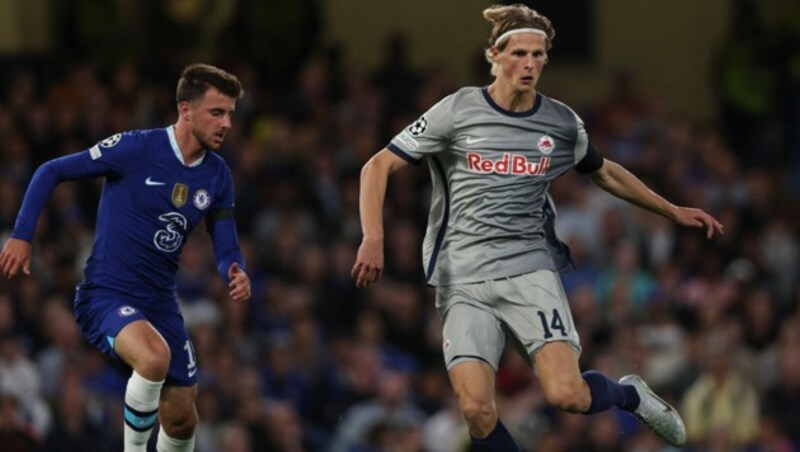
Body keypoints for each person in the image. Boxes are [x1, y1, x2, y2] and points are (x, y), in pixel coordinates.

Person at [351, 4, 723, 450]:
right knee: (475, 408)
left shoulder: (561, 122)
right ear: (495, 55)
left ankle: (629, 394)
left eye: (538, 54)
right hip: (462, 274)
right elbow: (377, 166)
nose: (529, 64)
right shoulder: (457, 110)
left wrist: (670, 209)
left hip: (529, 269)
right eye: (519, 53)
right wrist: (373, 236)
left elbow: (603, 171)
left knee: (566, 395)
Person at [0, 63, 251, 451]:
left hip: (161, 303)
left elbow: (224, 236)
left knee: (183, 418)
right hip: (108, 294)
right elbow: (51, 171)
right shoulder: (136, 148)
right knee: (153, 360)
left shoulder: (217, 175)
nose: (227, 123)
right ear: (185, 110)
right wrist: (22, 235)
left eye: (230, 114)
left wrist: (233, 268)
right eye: (217, 112)